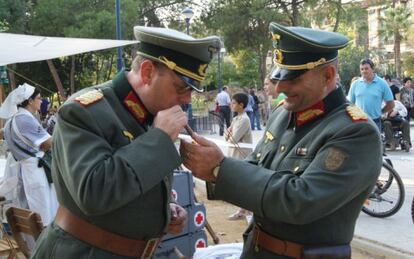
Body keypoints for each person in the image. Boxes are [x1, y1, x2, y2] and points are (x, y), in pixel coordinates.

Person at [180, 22, 382, 258]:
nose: (280, 87)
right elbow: (256, 167)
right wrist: (214, 165)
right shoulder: (283, 114)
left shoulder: (355, 132)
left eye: (293, 78)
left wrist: (219, 170)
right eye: (280, 76)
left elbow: (302, 201)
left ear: (327, 76)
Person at [31, 26, 221, 259]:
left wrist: (163, 210)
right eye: (181, 87)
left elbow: (133, 184)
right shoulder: (83, 110)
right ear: (148, 72)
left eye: (191, 90)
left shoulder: (152, 115)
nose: (187, 99)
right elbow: (93, 192)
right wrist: (158, 140)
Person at [0, 83, 58, 225]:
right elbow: (46, 143)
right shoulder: (24, 119)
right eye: (39, 98)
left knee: (35, 209)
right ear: (30, 101)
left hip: (27, 169)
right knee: (43, 214)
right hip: (36, 171)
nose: (41, 101)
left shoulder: (11, 121)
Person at [224, 92, 253, 221]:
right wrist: (229, 135)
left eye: (234, 103)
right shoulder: (236, 119)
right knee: (240, 185)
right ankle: (243, 210)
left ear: (241, 105)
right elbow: (226, 137)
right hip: (233, 154)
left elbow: (232, 139)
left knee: (243, 185)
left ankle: (248, 211)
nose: (231, 105)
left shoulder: (244, 119)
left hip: (241, 156)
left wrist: (229, 135)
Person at [347, 58, 394, 131]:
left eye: (366, 69)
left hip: (375, 121)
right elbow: (350, 104)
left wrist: (380, 112)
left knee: (374, 142)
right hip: (358, 122)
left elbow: (391, 104)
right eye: (362, 69)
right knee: (360, 142)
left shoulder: (382, 83)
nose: (364, 71)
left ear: (372, 69)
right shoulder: (355, 84)